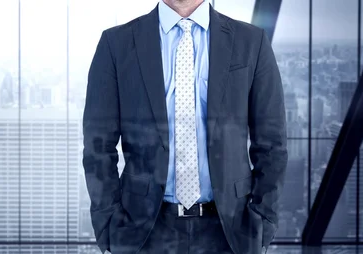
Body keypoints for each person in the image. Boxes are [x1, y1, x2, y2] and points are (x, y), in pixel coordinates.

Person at [82, 0, 287, 253]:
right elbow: (97, 146)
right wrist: (108, 226)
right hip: (142, 232)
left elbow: (271, 144)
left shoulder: (251, 42)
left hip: (231, 232)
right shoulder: (116, 44)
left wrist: (263, 225)